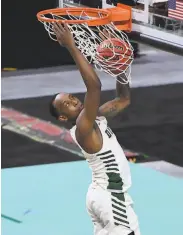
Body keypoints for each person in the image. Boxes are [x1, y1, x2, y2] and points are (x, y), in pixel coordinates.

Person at [50, 22, 140, 235]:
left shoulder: (96, 117)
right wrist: (72, 46)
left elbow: (123, 99)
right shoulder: (83, 127)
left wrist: (121, 68)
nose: (74, 101)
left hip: (101, 196)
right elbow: (94, 86)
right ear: (63, 117)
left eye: (71, 97)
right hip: (110, 198)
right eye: (67, 104)